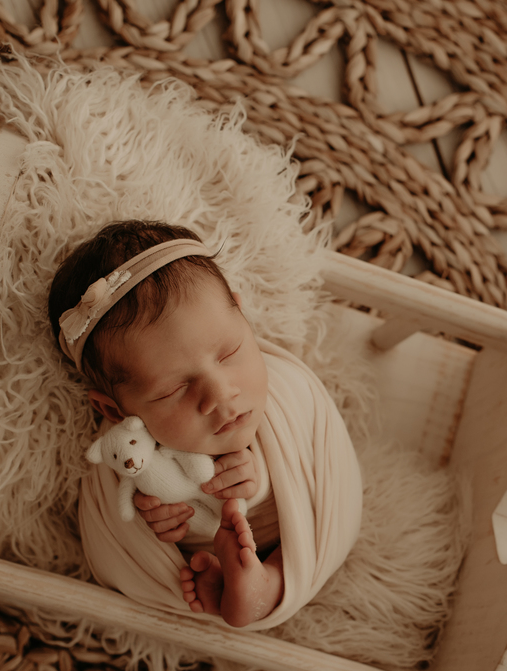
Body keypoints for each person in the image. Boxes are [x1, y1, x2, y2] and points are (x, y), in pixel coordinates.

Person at [49, 220, 314, 627]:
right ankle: (227, 581)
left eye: (229, 352)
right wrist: (165, 522)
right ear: (116, 412)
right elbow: (116, 537)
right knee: (186, 565)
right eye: (173, 389)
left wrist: (259, 476)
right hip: (209, 546)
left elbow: (314, 445)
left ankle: (268, 582)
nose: (220, 393)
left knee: (303, 531)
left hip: (301, 524)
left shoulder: (285, 387)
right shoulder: (124, 455)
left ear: (242, 315)